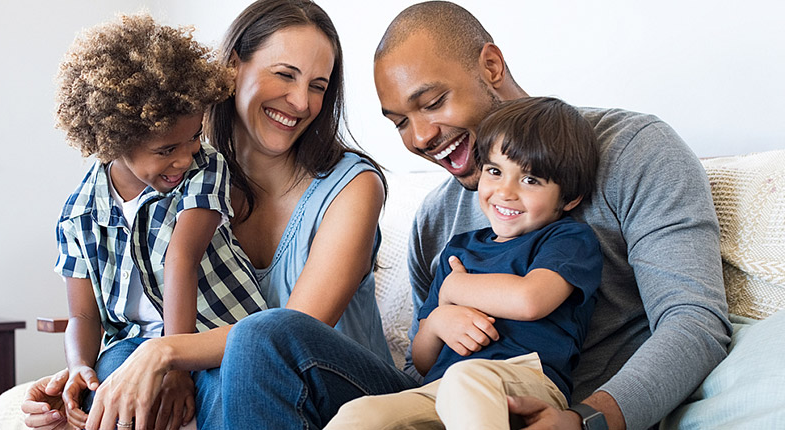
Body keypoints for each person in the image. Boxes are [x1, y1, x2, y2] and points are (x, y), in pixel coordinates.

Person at [217, 2, 730, 429]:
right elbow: (427, 360)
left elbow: (694, 322)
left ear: (490, 66)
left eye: (433, 102)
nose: (419, 138)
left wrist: (588, 420)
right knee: (264, 336)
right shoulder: (436, 218)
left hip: (557, 399)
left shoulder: (634, 151)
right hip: (445, 399)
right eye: (400, 122)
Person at [22, 1, 400, 429]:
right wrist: (89, 383)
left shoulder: (352, 185)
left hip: (344, 388)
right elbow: (114, 311)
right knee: (126, 367)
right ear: (234, 66)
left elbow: (292, 334)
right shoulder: (175, 173)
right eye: (285, 74)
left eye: (318, 85)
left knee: (257, 338)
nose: (300, 101)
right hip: (247, 387)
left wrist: (165, 352)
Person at [326, 96, 603, 429]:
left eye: (530, 180)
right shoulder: (458, 250)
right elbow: (423, 361)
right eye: (495, 171)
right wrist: (441, 318)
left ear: (569, 197)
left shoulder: (567, 239)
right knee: (361, 414)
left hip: (525, 379)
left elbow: (530, 300)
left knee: (465, 379)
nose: (505, 192)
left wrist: (455, 287)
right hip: (441, 387)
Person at [50, 13, 266, 429]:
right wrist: (79, 366)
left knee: (230, 387)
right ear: (115, 141)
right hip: (132, 342)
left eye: (193, 137)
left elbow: (180, 260)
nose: (183, 158)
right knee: (109, 384)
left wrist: (176, 367)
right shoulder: (79, 214)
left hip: (214, 336)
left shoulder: (205, 169)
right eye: (167, 148)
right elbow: (83, 317)